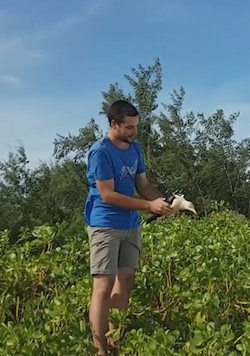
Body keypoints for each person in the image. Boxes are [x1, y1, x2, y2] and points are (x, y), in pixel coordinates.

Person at [84, 99, 174, 355]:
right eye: (129, 127)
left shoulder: (135, 149)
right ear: (114, 124)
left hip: (131, 223)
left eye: (136, 126)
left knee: (125, 280)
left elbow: (143, 185)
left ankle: (116, 340)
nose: (134, 132)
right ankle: (100, 349)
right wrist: (148, 207)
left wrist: (162, 202)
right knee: (103, 285)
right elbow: (107, 195)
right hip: (105, 225)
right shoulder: (100, 152)